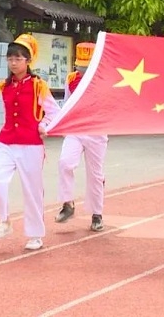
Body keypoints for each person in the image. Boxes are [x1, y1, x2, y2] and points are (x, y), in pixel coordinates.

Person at [0, 34, 61, 250]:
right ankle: (5, 221)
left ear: (28, 61)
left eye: (18, 58)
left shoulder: (38, 85)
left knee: (32, 190)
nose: (13, 62)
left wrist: (44, 125)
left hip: (31, 143)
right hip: (6, 140)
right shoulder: (4, 86)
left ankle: (35, 234)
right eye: (10, 58)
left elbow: (54, 112)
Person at [54, 42, 110, 231]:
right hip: (76, 129)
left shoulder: (105, 79)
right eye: (80, 66)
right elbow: (67, 103)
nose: (82, 70)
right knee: (65, 163)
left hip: (96, 131)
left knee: (95, 175)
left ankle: (97, 214)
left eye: (86, 66)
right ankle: (67, 204)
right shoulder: (71, 78)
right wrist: (59, 124)